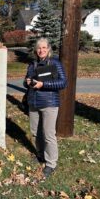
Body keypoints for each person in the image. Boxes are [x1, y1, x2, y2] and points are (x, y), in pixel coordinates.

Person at [23, 38, 67, 178]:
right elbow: (26, 81)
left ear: (48, 49)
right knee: (35, 132)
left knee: (48, 134)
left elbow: (63, 82)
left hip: (49, 102)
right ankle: (41, 155)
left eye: (43, 48)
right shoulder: (33, 64)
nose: (41, 50)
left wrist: (44, 85)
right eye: (38, 48)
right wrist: (27, 82)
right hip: (33, 103)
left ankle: (51, 163)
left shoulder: (55, 63)